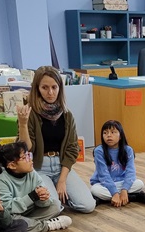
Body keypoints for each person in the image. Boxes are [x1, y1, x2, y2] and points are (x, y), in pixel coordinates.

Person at [17, 66, 96, 213]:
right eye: (45, 87)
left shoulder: (66, 115)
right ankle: (49, 196)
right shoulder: (30, 113)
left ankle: (59, 194)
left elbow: (72, 149)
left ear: (60, 88)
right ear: (37, 88)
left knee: (88, 205)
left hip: (61, 165)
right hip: (39, 168)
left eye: (54, 87)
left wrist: (62, 180)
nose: (50, 92)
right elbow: (25, 149)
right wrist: (23, 124)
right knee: (54, 208)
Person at [0, 142, 72, 232]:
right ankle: (46, 226)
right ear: (12, 165)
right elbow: (7, 209)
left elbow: (46, 201)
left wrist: (43, 199)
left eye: (28, 155)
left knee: (55, 205)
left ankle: (24, 227)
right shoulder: (1, 181)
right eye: (24, 158)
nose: (30, 160)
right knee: (10, 220)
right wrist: (32, 197)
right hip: (12, 214)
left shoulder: (31, 173)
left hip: (28, 212)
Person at [90, 120, 145, 206]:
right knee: (95, 190)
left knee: (139, 184)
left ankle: (105, 199)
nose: (109, 135)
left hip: (121, 182)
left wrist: (124, 189)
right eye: (105, 133)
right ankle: (132, 197)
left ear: (120, 135)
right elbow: (103, 175)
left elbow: (130, 172)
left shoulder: (128, 150)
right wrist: (114, 192)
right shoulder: (99, 151)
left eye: (113, 132)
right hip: (103, 183)